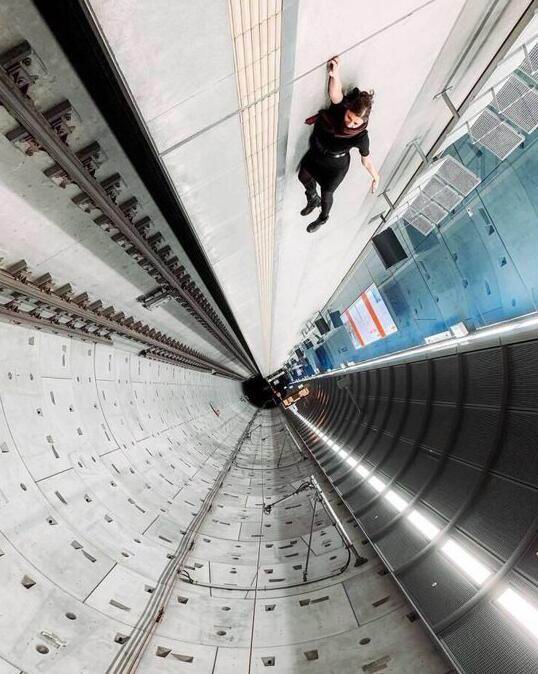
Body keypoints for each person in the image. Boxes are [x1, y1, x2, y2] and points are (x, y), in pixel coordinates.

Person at [298, 56, 380, 233]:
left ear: (363, 122)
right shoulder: (341, 108)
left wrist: (376, 177)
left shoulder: (361, 137)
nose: (350, 124)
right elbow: (335, 94)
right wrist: (335, 74)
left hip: (336, 167)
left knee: (327, 194)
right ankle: (312, 198)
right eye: (349, 117)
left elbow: (366, 160)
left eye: (356, 123)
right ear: (348, 109)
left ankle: (323, 218)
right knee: (303, 176)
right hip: (319, 154)